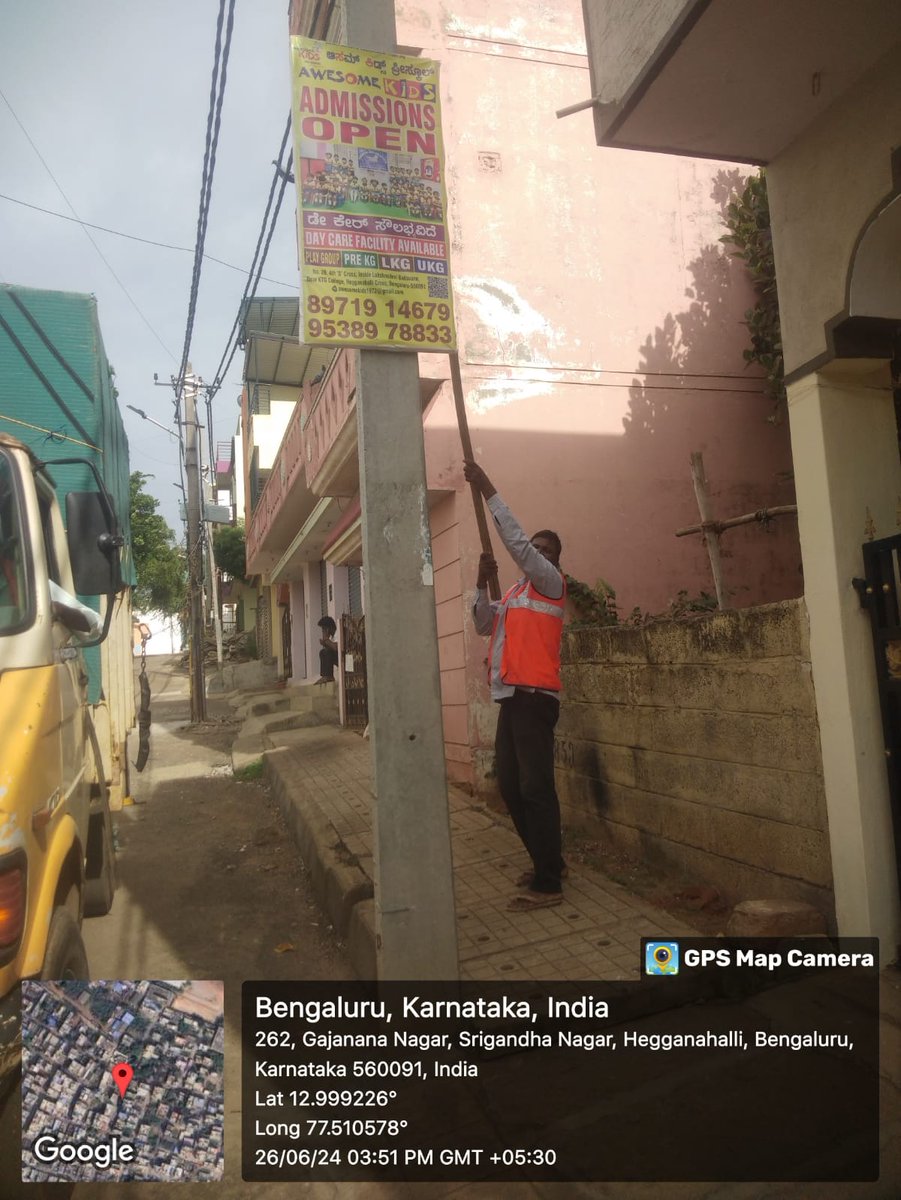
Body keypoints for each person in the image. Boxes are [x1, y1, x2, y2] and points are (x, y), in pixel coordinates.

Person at [463, 460, 568, 912]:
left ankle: (550, 881)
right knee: (509, 785)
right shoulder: (515, 594)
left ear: (553, 559)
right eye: (537, 550)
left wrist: (488, 489)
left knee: (535, 788)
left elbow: (519, 546)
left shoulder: (550, 583)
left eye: (543, 550)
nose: (536, 554)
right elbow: (485, 626)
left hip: (536, 700)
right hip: (511, 699)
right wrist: (480, 584)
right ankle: (547, 861)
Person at [316, 615, 339, 684]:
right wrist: (325, 644)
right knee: (322, 652)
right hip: (337, 656)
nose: (323, 631)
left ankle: (329, 676)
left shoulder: (338, 633)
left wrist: (326, 639)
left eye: (323, 629)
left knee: (326, 652)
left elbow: (336, 647)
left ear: (328, 628)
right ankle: (325, 676)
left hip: (344, 657)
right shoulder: (332, 637)